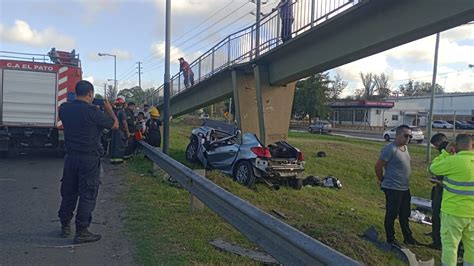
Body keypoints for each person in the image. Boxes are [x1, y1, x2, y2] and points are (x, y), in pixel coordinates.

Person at [57, 80, 118, 244]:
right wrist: (110, 110)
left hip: (70, 157)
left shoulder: (64, 109)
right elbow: (115, 125)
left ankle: (64, 225)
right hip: (89, 159)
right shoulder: (94, 112)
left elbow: (65, 113)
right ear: (90, 93)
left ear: (76, 92)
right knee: (87, 194)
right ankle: (82, 231)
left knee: (69, 192)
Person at [430, 134, 474, 266]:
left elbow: (432, 168)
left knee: (450, 246)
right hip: (472, 214)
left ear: (455, 147)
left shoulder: (453, 161)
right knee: (472, 246)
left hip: (453, 212)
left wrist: (446, 153)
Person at [374, 124, 419, 246]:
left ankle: (408, 237)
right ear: (398, 135)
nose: (408, 138)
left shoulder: (405, 148)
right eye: (405, 135)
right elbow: (378, 166)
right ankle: (391, 239)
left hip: (405, 188)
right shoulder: (390, 149)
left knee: (405, 214)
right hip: (393, 188)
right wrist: (382, 180)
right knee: (392, 214)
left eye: (410, 136)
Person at [428, 133, 448, 250]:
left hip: (445, 192)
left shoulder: (449, 156)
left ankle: (438, 242)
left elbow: (433, 168)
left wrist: (438, 180)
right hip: (439, 188)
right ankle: (436, 236)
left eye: (437, 145)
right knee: (436, 215)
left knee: (438, 216)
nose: (436, 148)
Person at [109, 98, 129, 164]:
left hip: (113, 130)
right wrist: (127, 132)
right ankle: (119, 160)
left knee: (113, 144)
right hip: (120, 131)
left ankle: (113, 159)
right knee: (120, 145)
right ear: (122, 104)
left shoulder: (113, 111)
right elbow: (124, 122)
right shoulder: (122, 111)